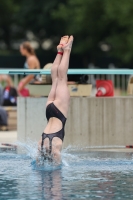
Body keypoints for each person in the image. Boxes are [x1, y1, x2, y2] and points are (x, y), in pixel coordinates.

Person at [38, 35, 74, 164]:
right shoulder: (40, 145)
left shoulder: (55, 149)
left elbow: (58, 172)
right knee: (55, 80)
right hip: (49, 110)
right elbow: (37, 162)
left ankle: (67, 50)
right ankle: (59, 50)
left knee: (61, 78)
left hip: (59, 112)